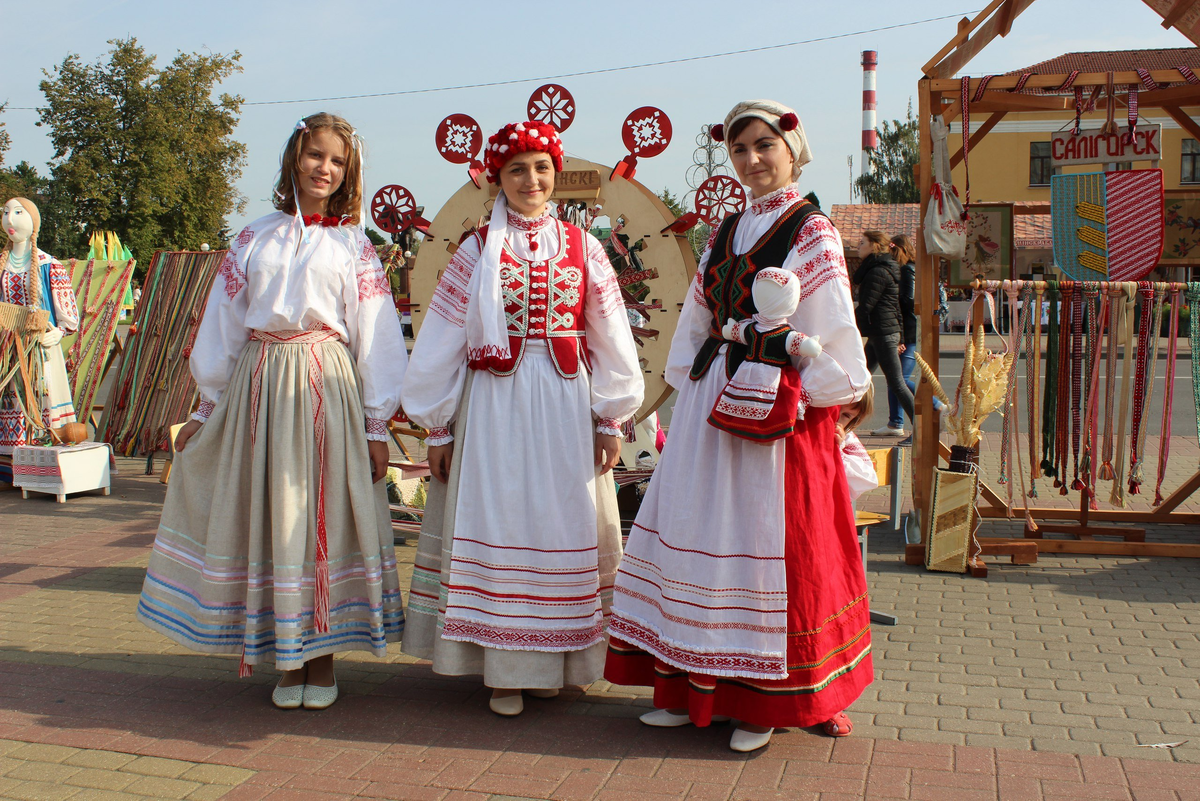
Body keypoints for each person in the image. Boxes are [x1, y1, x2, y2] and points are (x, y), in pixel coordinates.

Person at [604, 100, 873, 753]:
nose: (752, 159)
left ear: (792, 149)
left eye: (763, 145)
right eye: (741, 149)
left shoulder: (811, 231)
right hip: (713, 402)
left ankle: (763, 699)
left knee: (761, 545)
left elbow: (834, 326)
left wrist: (826, 380)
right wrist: (685, 392)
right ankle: (688, 682)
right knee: (697, 532)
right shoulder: (726, 229)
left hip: (780, 409)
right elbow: (697, 312)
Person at [137, 113, 408, 710]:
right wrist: (207, 408)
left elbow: (377, 335)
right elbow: (224, 322)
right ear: (294, 159)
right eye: (315, 155)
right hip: (259, 385)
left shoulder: (353, 245)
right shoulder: (253, 237)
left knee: (322, 518)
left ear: (348, 172)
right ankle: (286, 662)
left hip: (327, 386)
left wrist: (375, 421)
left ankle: (325, 656)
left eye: (337, 161)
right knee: (273, 517)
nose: (324, 169)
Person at [400, 120, 643, 717]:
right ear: (496, 179)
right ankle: (504, 670)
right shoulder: (476, 250)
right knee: (504, 522)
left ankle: (563, 662)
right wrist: (438, 425)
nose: (530, 179)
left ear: (554, 174)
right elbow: (443, 338)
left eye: (540, 167)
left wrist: (611, 417)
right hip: (495, 406)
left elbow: (610, 332)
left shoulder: (584, 246)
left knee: (564, 523)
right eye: (516, 169)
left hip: (565, 403)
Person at [0, 198, 79, 484]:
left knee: (39, 395)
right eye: (6, 212)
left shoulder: (49, 265)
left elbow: (68, 313)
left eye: (18, 213)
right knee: (10, 400)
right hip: (7, 349)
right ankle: (12, 471)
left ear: (33, 221)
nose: (10, 219)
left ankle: (40, 471)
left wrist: (61, 330)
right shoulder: (1, 265)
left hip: (40, 347)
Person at [876, 234, 942, 441]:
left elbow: (907, 302)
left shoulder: (906, 270)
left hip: (909, 330)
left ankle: (936, 405)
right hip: (909, 329)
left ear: (900, 251)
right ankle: (895, 422)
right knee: (893, 378)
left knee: (900, 379)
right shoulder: (913, 269)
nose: (891, 257)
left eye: (893, 252)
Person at [855, 230, 913, 436]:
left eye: (862, 243)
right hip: (881, 333)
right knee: (860, 376)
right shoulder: (880, 269)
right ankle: (843, 423)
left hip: (883, 333)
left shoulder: (877, 272)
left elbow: (866, 307)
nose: (858, 246)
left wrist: (848, 328)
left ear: (874, 246)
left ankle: (922, 430)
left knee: (897, 383)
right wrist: (901, 337)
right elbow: (895, 308)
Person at [837, 384, 880, 502]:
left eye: (845, 415)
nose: (836, 418)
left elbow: (867, 478)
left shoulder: (847, 439)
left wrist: (836, 450)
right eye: (833, 409)